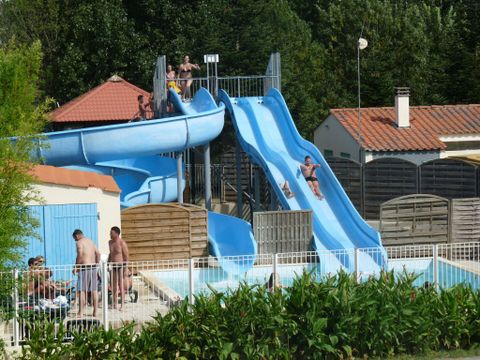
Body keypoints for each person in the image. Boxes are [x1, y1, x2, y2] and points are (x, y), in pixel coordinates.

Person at [72, 229, 100, 317]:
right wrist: (97, 263)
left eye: (75, 239)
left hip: (84, 268)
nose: (75, 241)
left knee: (82, 291)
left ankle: (80, 312)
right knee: (94, 291)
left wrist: (76, 267)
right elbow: (98, 253)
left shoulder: (79, 242)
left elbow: (80, 254)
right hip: (93, 267)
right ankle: (95, 312)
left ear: (77, 236)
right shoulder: (91, 241)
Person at [108, 226, 129, 310]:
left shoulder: (122, 243)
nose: (110, 234)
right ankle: (114, 303)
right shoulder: (110, 242)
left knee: (121, 285)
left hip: (120, 266)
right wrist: (107, 263)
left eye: (111, 233)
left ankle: (122, 305)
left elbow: (126, 257)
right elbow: (111, 253)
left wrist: (125, 268)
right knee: (114, 285)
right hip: (113, 266)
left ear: (116, 234)